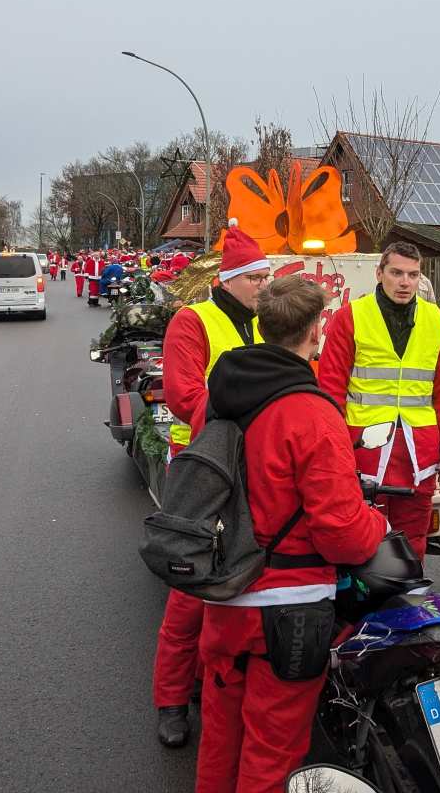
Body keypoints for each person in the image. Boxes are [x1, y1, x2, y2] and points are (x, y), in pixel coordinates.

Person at [193, 276, 388, 793]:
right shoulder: (313, 413)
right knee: (272, 751)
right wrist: (378, 524)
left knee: (220, 737)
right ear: (316, 330)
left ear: (262, 326)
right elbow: (343, 535)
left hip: (224, 595)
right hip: (290, 608)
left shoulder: (217, 397)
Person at [152, 223, 270, 749]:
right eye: (255, 278)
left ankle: (213, 676)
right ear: (229, 280)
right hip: (201, 468)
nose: (264, 286)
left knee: (244, 575)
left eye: (266, 277)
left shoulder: (265, 324)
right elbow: (183, 394)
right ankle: (172, 701)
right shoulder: (192, 321)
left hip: (253, 466)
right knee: (190, 589)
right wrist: (250, 419)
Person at [318, 241, 440, 560]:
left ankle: (409, 588)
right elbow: (330, 391)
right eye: (396, 273)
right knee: (363, 538)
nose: (405, 282)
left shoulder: (437, 319)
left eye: (413, 275)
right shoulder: (350, 317)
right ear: (379, 273)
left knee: (413, 541)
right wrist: (334, 453)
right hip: (364, 452)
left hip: (419, 454)